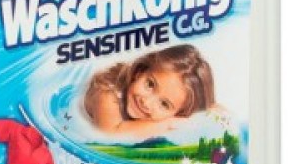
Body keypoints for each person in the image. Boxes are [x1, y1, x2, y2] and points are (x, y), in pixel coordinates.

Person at [83, 44, 215, 137]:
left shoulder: (178, 104)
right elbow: (111, 134)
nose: (146, 103)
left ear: (179, 114)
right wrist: (168, 124)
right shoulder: (108, 94)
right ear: (140, 72)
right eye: (150, 84)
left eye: (164, 104)